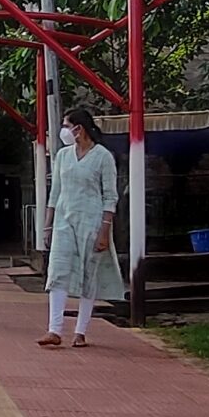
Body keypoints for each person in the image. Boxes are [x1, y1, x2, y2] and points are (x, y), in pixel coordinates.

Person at [43, 103, 122, 348]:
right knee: (58, 271)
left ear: (79, 129)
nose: (63, 131)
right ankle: (54, 329)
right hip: (64, 220)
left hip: (92, 221)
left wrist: (104, 230)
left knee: (89, 274)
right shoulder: (63, 156)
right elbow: (55, 192)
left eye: (66, 126)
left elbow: (110, 196)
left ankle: (80, 331)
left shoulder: (103, 157)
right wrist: (47, 225)